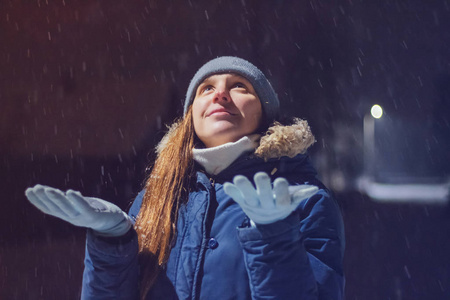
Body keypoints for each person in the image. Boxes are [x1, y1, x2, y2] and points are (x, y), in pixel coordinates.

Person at [25, 56, 345, 300]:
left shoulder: (304, 200)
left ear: (264, 113)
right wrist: (112, 244)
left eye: (239, 86)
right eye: (207, 88)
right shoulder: (157, 197)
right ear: (191, 114)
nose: (220, 94)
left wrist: (276, 239)